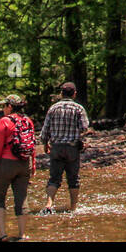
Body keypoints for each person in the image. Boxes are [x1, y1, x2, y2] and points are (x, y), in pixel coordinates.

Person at [0, 93, 35, 241]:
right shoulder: (28, 121)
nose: (3, 109)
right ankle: (22, 235)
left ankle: (3, 235)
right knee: (21, 198)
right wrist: (33, 165)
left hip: (6, 164)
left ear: (10, 106)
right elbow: (32, 144)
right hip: (24, 163)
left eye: (4, 106)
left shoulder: (4, 121)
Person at [38, 81, 89, 214]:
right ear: (74, 94)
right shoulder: (78, 109)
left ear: (61, 94)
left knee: (54, 178)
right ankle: (73, 207)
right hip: (72, 148)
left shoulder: (53, 108)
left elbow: (45, 130)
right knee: (73, 179)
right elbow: (84, 127)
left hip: (56, 147)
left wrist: (45, 143)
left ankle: (49, 204)